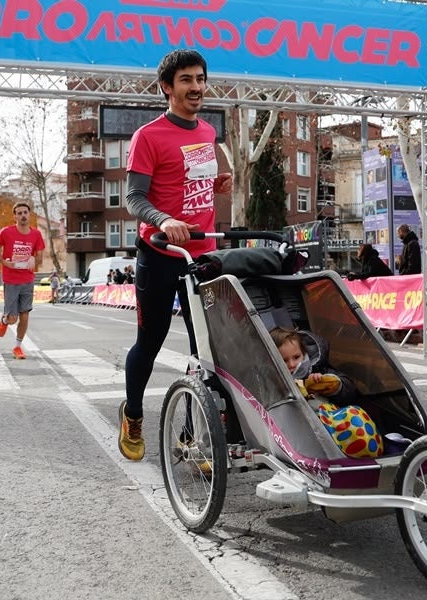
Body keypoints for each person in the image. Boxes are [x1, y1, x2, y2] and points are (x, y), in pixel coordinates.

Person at [118, 48, 234, 461]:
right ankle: (133, 414)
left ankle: (191, 432)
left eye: (200, 79)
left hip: (203, 255)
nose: (196, 87)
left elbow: (188, 181)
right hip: (160, 253)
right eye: (186, 80)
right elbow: (134, 198)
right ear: (167, 87)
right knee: (150, 341)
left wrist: (214, 183)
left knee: (207, 349)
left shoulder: (206, 131)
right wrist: (164, 220)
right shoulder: (148, 136)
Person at [270, 327, 381, 458]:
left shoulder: (316, 369)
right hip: (300, 435)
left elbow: (349, 390)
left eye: (296, 357)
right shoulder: (272, 381)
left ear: (304, 354)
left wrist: (333, 385)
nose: (292, 364)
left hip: (332, 425)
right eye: (284, 360)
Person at [0, 201, 45, 359]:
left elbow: (40, 258)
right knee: (12, 319)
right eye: (19, 213)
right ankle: (4, 320)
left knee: (25, 316)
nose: (23, 216)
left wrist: (34, 259)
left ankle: (17, 347)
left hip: (27, 279)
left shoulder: (36, 235)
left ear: (29, 215)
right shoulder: (6, 232)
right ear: (15, 216)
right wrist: (5, 262)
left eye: (25, 213)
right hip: (10, 280)